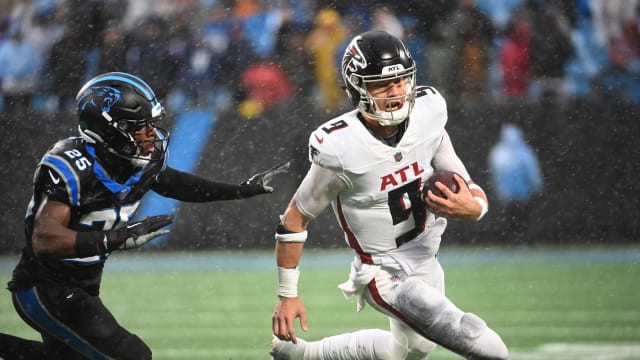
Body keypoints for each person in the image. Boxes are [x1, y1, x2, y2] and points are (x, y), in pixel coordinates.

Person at [0, 71, 288, 360]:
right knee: (133, 356)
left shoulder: (133, 161)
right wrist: (116, 239)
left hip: (82, 286)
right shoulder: (72, 164)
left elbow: (173, 183)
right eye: (140, 126)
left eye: (151, 124)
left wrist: (237, 191)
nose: (151, 133)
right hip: (44, 289)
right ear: (109, 129)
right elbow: (45, 238)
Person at [270, 31, 509, 360]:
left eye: (400, 81)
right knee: (489, 349)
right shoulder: (340, 148)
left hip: (426, 260)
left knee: (410, 351)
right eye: (381, 85)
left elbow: (464, 181)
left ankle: (300, 355)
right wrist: (287, 295)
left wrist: (476, 207)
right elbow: (294, 219)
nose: (394, 92)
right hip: (383, 272)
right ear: (357, 88)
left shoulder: (429, 115)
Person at [488, 123, 543, 245]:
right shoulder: (525, 152)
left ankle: (512, 241)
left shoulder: (498, 153)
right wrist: (537, 186)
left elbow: (495, 175)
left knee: (511, 218)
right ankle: (524, 241)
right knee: (523, 218)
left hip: (508, 195)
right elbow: (532, 172)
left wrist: (498, 191)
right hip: (523, 193)